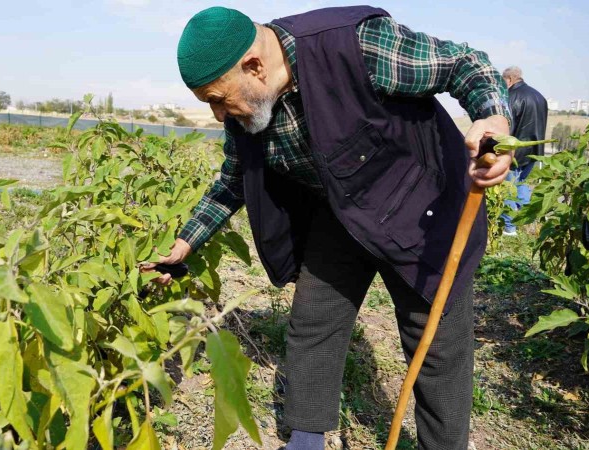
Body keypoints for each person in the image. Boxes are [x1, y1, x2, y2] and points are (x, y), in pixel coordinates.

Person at [142, 6, 512, 450]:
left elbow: (464, 64)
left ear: (254, 66)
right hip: (342, 211)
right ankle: (305, 440)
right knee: (314, 320)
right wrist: (187, 242)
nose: (220, 115)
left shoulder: (354, 46)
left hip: (421, 209)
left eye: (219, 99)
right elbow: (234, 180)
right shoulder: (248, 111)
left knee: (435, 342)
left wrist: (494, 117)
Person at [500, 66, 548, 236]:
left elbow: (507, 126)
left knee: (508, 188)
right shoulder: (539, 96)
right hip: (534, 150)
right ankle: (528, 222)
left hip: (515, 151)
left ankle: (510, 228)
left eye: (503, 81)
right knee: (521, 184)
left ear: (509, 79)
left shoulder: (511, 97)